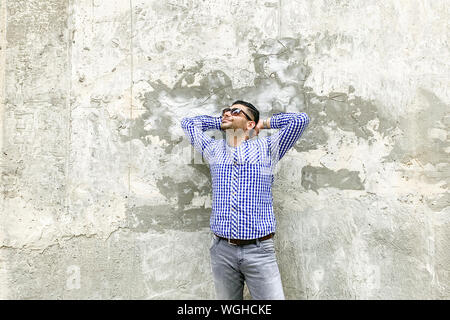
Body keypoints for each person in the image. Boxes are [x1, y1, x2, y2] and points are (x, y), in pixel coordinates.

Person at [181, 100, 310, 300]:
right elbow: (188, 123)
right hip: (222, 250)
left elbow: (300, 120)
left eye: (235, 111)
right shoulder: (213, 149)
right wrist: (223, 121)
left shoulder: (268, 148)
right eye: (225, 110)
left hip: (259, 250)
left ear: (249, 124)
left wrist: (263, 123)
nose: (227, 113)